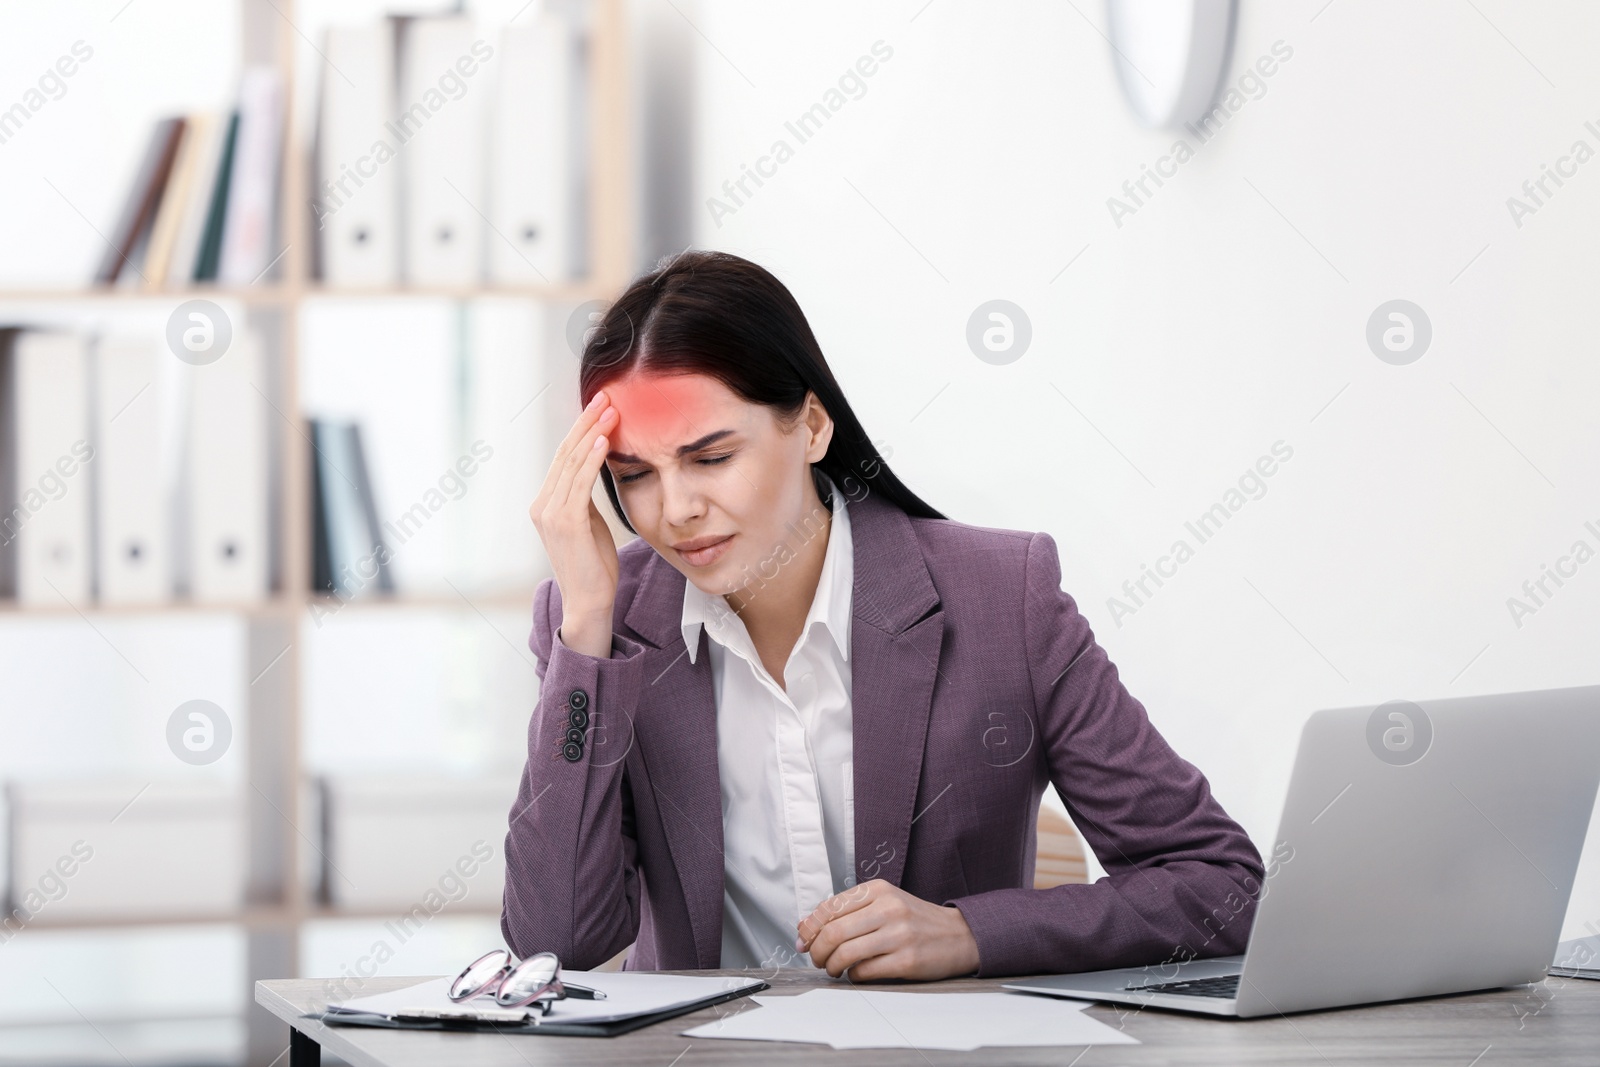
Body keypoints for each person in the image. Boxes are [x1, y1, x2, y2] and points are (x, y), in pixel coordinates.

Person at [502, 249, 1264, 981]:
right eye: (635, 475)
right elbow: (557, 937)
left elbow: (1222, 886)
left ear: (811, 427)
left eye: (711, 458)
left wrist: (969, 932)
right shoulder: (602, 625)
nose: (675, 510)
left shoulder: (1005, 599)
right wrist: (587, 635)